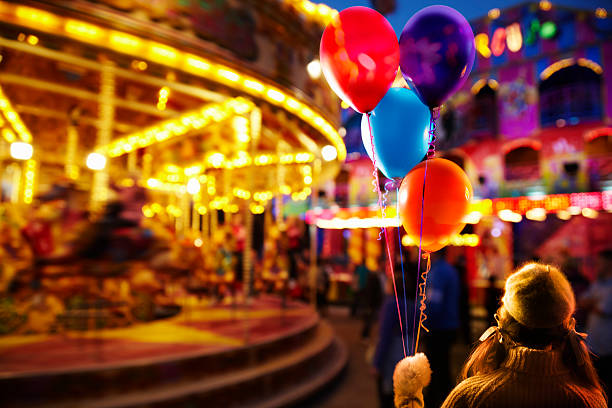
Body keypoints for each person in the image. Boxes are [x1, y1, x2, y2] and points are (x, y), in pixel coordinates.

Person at [393, 262, 607, 408]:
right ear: (568, 324)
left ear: (504, 320)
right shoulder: (590, 399)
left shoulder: (472, 396)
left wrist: (408, 396)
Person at [422, 249, 460, 408]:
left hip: (438, 328)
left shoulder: (437, 272)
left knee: (436, 370)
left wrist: (424, 323)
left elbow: (433, 304)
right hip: (449, 325)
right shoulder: (450, 270)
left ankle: (440, 402)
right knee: (443, 367)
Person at [373, 270, 416, 408]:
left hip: (392, 353)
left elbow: (385, 335)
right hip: (408, 353)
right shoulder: (412, 305)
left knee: (386, 394)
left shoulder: (391, 305)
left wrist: (377, 363)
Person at [580, 249, 612, 396]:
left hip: (607, 346)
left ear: (609, 263)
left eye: (600, 262)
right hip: (594, 343)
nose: (597, 265)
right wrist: (593, 302)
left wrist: (591, 302)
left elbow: (603, 309)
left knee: (605, 387)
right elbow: (582, 301)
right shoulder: (598, 283)